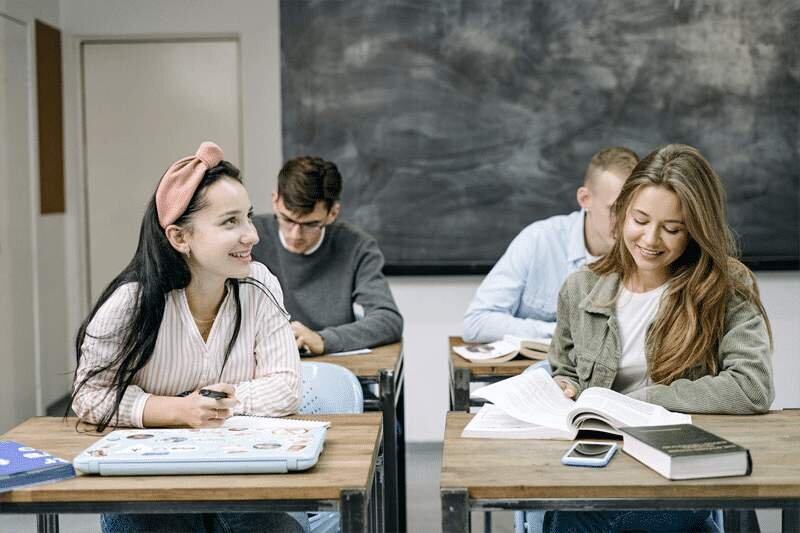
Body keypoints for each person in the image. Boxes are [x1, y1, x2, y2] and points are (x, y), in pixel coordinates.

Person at [71, 142, 307, 533]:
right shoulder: (131, 302)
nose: (252, 235)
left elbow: (285, 386)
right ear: (180, 238)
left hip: (240, 475)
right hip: (148, 487)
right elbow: (90, 395)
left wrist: (214, 403)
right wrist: (179, 410)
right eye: (230, 222)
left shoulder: (260, 284)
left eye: (248, 217)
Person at [545, 144, 774, 532]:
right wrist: (563, 385)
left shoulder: (726, 286)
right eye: (640, 219)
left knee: (576, 523)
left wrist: (647, 401)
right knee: (570, 514)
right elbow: (565, 368)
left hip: (678, 466)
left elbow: (752, 386)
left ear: (697, 230)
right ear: (622, 212)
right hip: (602, 461)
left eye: (672, 229)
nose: (651, 239)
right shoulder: (580, 288)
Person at [463, 147, 639, 343]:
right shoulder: (539, 240)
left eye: (635, 212)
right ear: (585, 199)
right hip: (533, 368)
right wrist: (560, 333)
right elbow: (476, 323)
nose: (626, 222)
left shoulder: (644, 253)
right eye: (615, 209)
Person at [251, 156, 403, 355]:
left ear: (333, 213)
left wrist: (323, 339)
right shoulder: (248, 238)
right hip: (262, 365)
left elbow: (388, 319)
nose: (295, 234)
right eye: (287, 219)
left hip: (332, 369)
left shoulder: (357, 247)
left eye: (311, 224)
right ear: (275, 200)